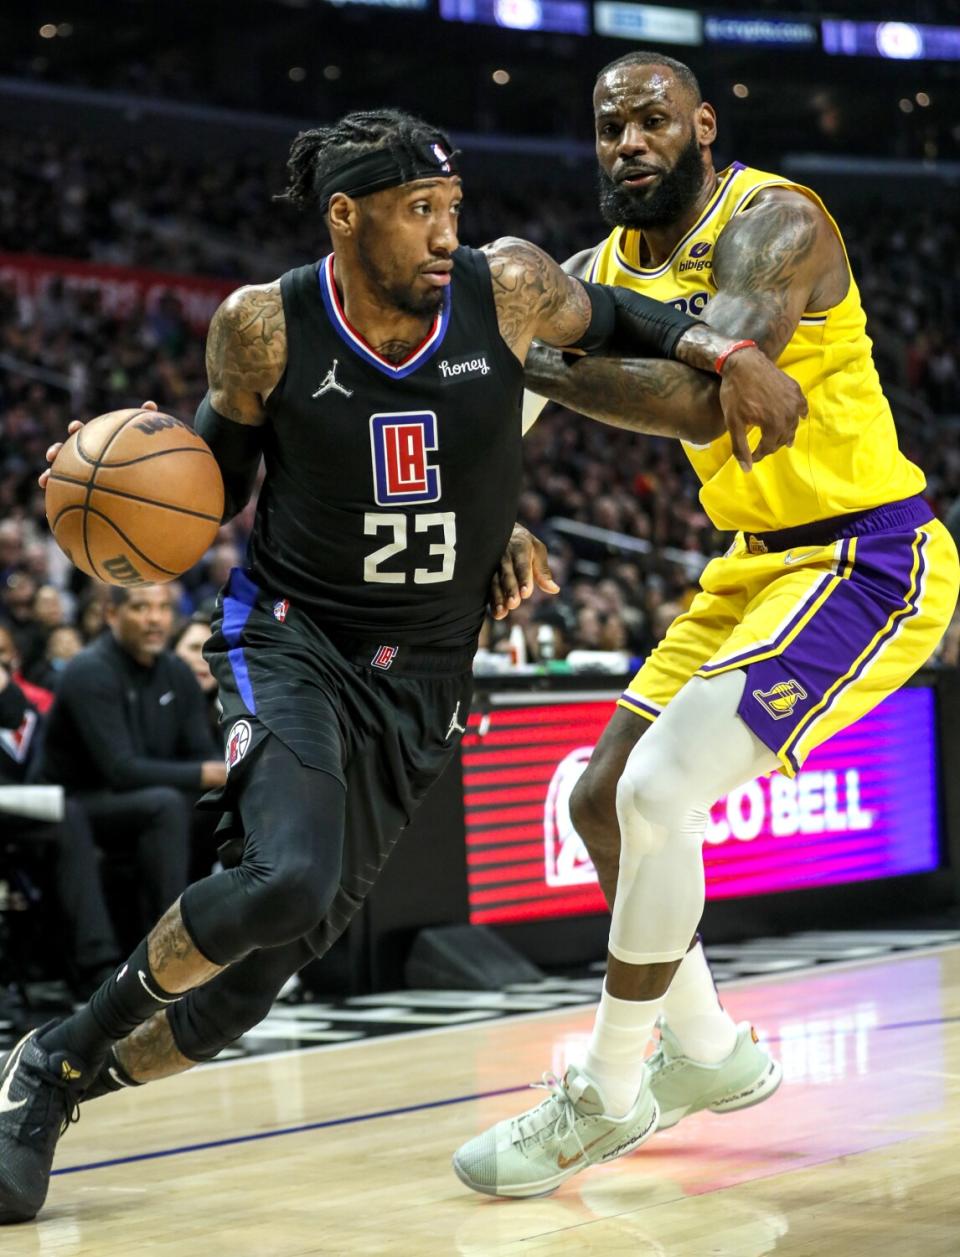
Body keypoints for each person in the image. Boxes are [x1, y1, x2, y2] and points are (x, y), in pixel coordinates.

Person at [0, 107, 803, 1224]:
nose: (444, 234)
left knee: (252, 992)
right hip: (293, 638)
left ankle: (69, 1072)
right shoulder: (262, 328)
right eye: (419, 212)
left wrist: (724, 349)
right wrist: (107, 480)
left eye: (452, 209)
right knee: (287, 877)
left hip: (424, 671)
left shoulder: (509, 286)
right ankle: (48, 1068)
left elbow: (620, 313)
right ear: (345, 216)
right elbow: (212, 491)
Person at [452, 52, 960, 1198]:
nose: (628, 143)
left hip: (865, 553)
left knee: (655, 792)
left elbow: (698, 398)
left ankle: (611, 1091)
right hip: (749, 566)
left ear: (703, 127)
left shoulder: (774, 222)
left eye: (652, 122)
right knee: (597, 800)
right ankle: (714, 1057)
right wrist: (485, 510)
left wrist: (536, 354)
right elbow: (502, 416)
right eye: (608, 127)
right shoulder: (597, 269)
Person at [40, 584, 225, 933]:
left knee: (224, 804)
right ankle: (170, 944)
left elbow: (202, 753)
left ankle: (235, 938)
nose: (154, 619)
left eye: (163, 608)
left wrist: (218, 777)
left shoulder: (177, 671)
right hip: (79, 801)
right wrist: (211, 773)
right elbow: (120, 769)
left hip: (145, 793)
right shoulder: (89, 670)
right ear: (112, 614)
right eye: (141, 607)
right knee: (166, 804)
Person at [0, 626, 121, 999]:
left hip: (13, 808)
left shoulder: (27, 699)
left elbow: (12, 714)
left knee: (69, 817)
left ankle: (96, 965)